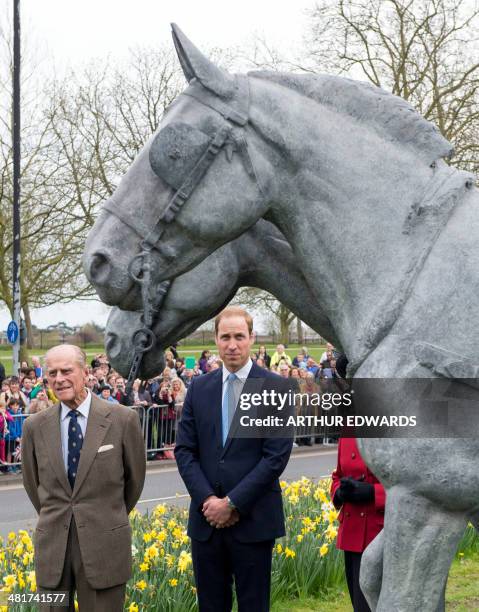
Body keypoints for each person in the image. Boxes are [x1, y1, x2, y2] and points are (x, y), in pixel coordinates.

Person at [175, 307, 295, 612]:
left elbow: (275, 456)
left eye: (239, 336)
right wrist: (209, 502)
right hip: (206, 522)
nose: (232, 344)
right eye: (225, 337)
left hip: (253, 521)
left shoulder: (275, 388)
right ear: (215, 339)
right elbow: (185, 451)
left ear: (252, 338)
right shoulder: (199, 388)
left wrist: (232, 503)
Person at [22, 344, 146, 611]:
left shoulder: (122, 420)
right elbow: (34, 486)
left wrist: (105, 514)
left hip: (105, 546)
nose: (59, 379)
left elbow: (134, 483)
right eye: (52, 373)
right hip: (53, 548)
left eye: (66, 370)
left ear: (86, 373)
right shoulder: (34, 426)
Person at [331, 438, 386, 612]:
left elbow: (412, 484)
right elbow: (337, 475)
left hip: (380, 534)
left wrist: (373, 493)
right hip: (352, 536)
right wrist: (339, 492)